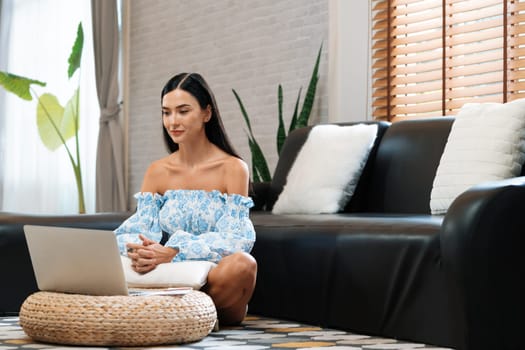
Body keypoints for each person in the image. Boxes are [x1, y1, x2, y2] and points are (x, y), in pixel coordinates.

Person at [114, 72, 257, 326]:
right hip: (172, 278)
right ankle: (177, 314)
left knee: (243, 265)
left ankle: (179, 314)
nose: (172, 121)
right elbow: (139, 229)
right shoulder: (157, 171)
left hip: (216, 283)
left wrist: (175, 251)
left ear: (206, 113)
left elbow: (236, 240)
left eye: (182, 111)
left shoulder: (233, 168)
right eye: (166, 112)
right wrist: (142, 250)